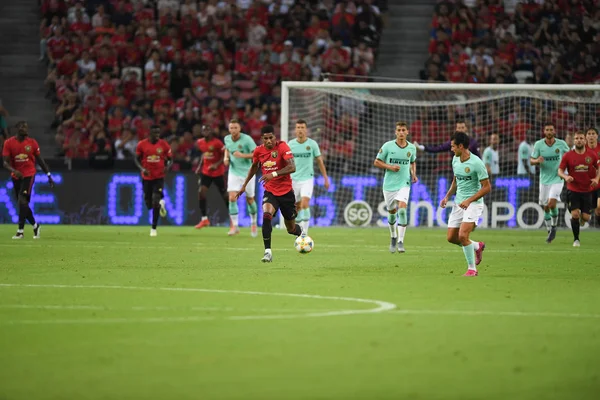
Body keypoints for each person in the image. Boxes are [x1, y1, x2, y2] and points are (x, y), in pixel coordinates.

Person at [236, 125, 304, 263]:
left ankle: (300, 231)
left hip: (286, 193)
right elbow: (254, 167)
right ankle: (268, 252)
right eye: (265, 138)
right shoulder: (258, 151)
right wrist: (244, 185)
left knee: (291, 229)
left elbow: (292, 167)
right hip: (270, 191)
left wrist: (273, 174)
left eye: (271, 138)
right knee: (267, 215)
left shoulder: (283, 147)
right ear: (262, 139)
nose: (268, 141)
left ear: (275, 137)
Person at [440, 131, 490, 277]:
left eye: (453, 146)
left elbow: (487, 187)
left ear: (461, 146)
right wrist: (447, 196)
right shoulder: (455, 160)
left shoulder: (476, 163)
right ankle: (477, 246)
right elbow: (456, 181)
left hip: (473, 204)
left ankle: (472, 269)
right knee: (451, 238)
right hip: (458, 203)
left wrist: (469, 200)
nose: (451, 149)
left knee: (462, 235)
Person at [2, 121, 55, 239]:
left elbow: (40, 160)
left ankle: (20, 231)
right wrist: (13, 170)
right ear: (17, 128)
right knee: (23, 204)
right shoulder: (9, 143)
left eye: (26, 127)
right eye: (22, 127)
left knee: (22, 201)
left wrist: (48, 175)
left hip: (29, 175)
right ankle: (35, 225)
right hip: (16, 176)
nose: (25, 129)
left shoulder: (32, 143)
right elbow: (5, 162)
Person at [373, 121, 418, 253]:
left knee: (402, 210)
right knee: (392, 212)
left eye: (404, 130)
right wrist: (390, 167)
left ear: (407, 132)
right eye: (399, 130)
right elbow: (377, 162)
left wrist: (413, 174)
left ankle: (400, 241)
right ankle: (393, 236)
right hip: (389, 185)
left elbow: (413, 162)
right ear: (395, 132)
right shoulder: (387, 146)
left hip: (404, 183)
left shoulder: (411, 148)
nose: (401, 132)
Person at [558, 131, 600, 247]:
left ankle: (582, 219)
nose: (579, 140)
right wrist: (566, 176)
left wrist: (596, 178)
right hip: (573, 190)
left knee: (586, 217)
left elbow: (598, 167)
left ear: (584, 140)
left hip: (587, 190)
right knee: (575, 214)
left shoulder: (591, 155)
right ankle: (576, 239)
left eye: (581, 138)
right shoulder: (568, 155)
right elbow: (560, 170)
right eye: (576, 138)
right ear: (574, 141)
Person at [530, 122, 570, 243]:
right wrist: (537, 160)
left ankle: (553, 227)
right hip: (544, 180)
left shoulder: (561, 144)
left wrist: (567, 172)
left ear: (554, 131)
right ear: (544, 131)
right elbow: (531, 161)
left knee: (552, 203)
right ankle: (549, 230)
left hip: (558, 178)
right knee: (546, 207)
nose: (549, 132)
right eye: (547, 130)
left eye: (551, 130)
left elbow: (569, 157)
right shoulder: (538, 145)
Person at [288, 119, 330, 234]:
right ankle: (298, 231)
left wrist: (325, 178)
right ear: (295, 130)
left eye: (302, 128)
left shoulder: (312, 144)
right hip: (293, 180)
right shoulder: (290, 145)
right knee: (296, 207)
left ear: (306, 130)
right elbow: (284, 162)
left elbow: (320, 161)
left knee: (305, 203)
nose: (300, 130)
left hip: (307, 179)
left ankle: (304, 234)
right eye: (298, 128)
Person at [134, 125, 172, 237]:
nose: (157, 135)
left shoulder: (163, 144)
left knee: (155, 200)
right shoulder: (142, 144)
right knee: (149, 203)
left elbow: (170, 160)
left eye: (158, 133)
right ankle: (161, 203)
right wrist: (142, 169)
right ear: (149, 133)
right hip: (147, 177)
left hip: (159, 177)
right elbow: (136, 158)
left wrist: (167, 167)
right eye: (155, 133)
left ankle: (153, 228)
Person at [223, 119, 258, 237]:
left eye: (235, 128)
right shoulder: (227, 139)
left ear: (240, 129)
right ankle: (235, 226)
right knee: (232, 198)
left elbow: (256, 154)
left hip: (248, 173)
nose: (233, 130)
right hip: (234, 172)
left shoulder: (247, 140)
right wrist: (226, 158)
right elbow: (227, 148)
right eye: (231, 128)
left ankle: (253, 223)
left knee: (250, 200)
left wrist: (242, 155)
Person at [195, 125, 227, 229]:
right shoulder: (200, 142)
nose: (205, 132)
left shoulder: (217, 143)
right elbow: (204, 155)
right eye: (204, 130)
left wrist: (216, 165)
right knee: (201, 192)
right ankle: (204, 219)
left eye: (207, 130)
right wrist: (199, 166)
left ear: (211, 131)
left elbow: (224, 155)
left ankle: (233, 218)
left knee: (225, 195)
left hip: (218, 172)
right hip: (206, 172)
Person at [413, 120, 481, 158]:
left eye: (462, 128)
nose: (460, 130)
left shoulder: (473, 142)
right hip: (457, 173)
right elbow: (437, 149)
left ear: (466, 128)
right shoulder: (452, 142)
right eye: (459, 128)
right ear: (456, 129)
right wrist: (422, 147)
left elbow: (478, 157)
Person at [585, 127, 600, 225]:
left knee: (599, 207)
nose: (591, 136)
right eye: (589, 134)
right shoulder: (582, 149)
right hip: (587, 185)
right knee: (585, 217)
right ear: (586, 136)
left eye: (593, 133)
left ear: (597, 136)